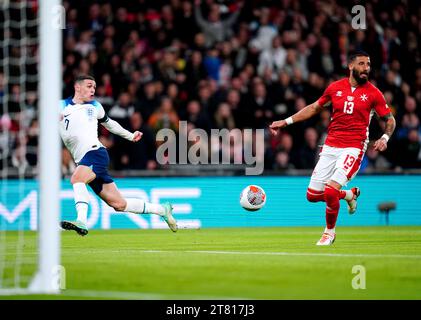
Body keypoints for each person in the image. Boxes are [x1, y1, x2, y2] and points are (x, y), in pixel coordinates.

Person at [269, 51, 396, 246]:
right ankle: (349, 195)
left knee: (330, 191)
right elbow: (313, 108)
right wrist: (285, 122)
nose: (366, 68)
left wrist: (385, 137)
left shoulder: (373, 93)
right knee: (311, 195)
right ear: (351, 66)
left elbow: (389, 119)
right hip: (330, 146)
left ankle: (329, 233)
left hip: (353, 147)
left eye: (368, 64)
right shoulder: (335, 88)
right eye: (361, 64)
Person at [59, 75, 177, 236]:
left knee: (77, 179)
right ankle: (162, 209)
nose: (93, 89)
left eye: (94, 86)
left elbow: (110, 123)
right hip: (82, 160)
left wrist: (130, 135)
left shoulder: (95, 106)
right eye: (89, 86)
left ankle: (81, 221)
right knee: (119, 204)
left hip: (95, 153)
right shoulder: (60, 106)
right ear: (77, 87)